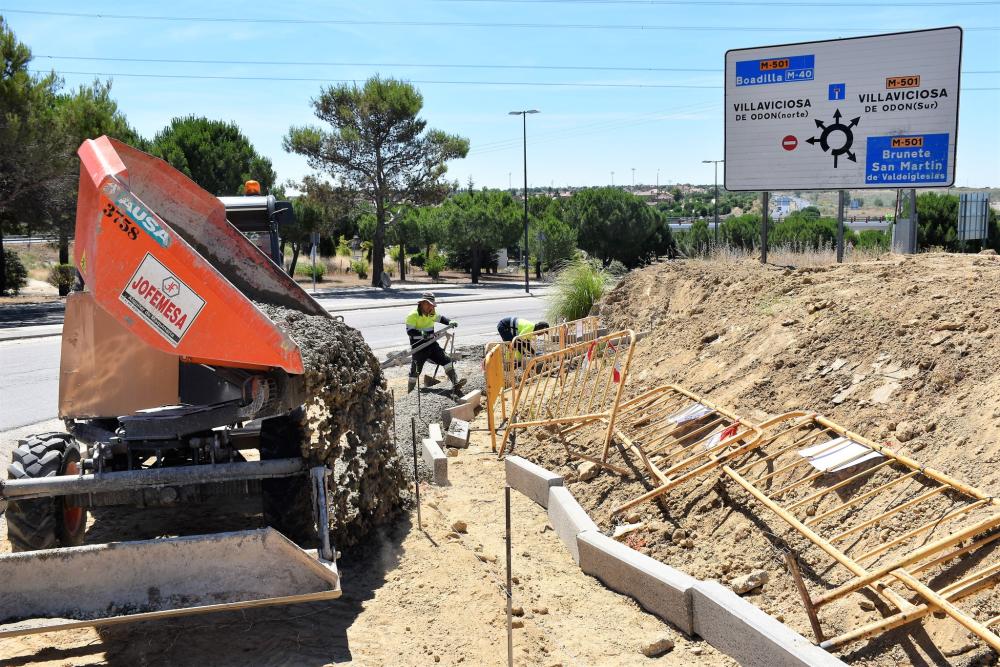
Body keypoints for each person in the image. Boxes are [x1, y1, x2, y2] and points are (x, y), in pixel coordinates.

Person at [405, 292, 466, 394]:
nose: (431, 307)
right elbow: (410, 331)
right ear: (422, 303)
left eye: (432, 305)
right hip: (419, 347)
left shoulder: (431, 312)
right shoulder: (413, 315)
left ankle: (455, 383)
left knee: (446, 360)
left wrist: (449, 322)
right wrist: (421, 333)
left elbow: (440, 318)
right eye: (429, 304)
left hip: (432, 344)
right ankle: (410, 393)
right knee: (415, 371)